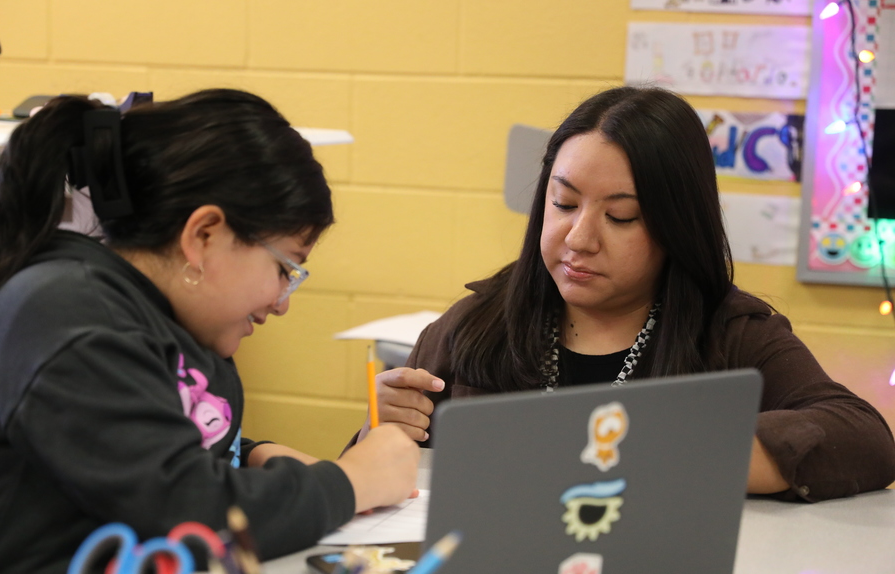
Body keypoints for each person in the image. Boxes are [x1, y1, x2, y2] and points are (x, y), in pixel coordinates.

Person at [0, 90, 419, 574]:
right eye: (285, 267)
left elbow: (153, 439)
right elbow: (186, 514)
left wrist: (254, 453)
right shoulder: (67, 315)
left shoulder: (150, 313)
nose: (282, 301)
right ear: (203, 235)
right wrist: (347, 483)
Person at [353, 86, 895, 503]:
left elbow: (864, 439)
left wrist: (664, 454)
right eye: (563, 204)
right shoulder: (474, 324)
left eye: (621, 216)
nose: (579, 238)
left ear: (676, 227)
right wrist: (382, 429)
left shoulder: (732, 333)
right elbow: (373, 485)